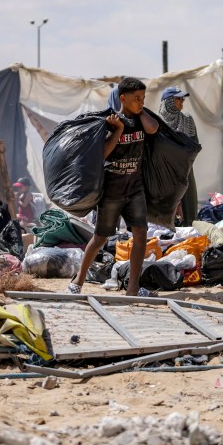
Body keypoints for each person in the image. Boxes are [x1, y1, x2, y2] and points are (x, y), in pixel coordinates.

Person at [68, 77, 159, 297]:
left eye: (143, 98)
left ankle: (133, 288)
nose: (141, 102)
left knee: (140, 233)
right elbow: (103, 154)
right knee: (100, 237)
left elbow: (153, 129)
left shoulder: (141, 119)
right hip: (112, 190)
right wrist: (118, 130)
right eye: (136, 98)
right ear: (122, 98)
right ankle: (78, 281)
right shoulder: (109, 121)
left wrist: (140, 110)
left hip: (134, 188)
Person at [159, 86, 199, 226]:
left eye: (183, 98)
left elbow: (195, 146)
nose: (182, 101)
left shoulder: (187, 120)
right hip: (164, 174)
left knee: (189, 214)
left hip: (185, 172)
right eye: (178, 98)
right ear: (168, 101)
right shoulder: (156, 123)